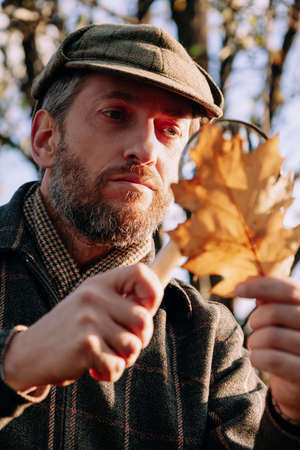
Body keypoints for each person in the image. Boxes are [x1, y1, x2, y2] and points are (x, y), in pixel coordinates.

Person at [0, 23, 299, 449]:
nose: (145, 148)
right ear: (46, 138)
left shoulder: (210, 340)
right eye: (116, 114)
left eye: (170, 130)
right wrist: (14, 364)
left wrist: (290, 417)